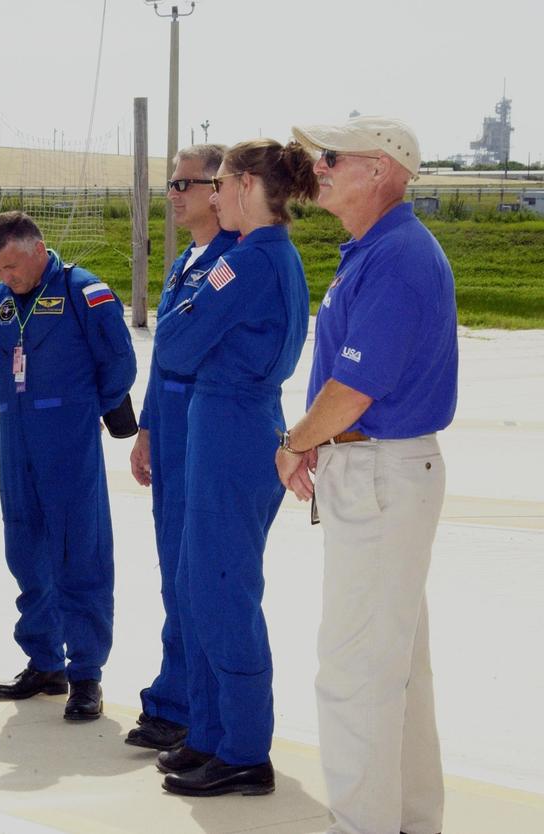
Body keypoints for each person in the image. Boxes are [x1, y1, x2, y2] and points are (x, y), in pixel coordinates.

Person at [281, 116, 454, 834]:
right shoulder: (378, 250)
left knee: (353, 673)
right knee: (396, 673)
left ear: (380, 169)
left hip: (380, 471)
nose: (316, 167)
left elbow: (356, 389)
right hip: (382, 470)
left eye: (331, 157)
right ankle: (408, 821)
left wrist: (294, 443)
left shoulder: (396, 257)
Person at [151, 140, 317, 797]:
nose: (212, 195)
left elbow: (175, 342)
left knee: (223, 588)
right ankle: (212, 735)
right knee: (199, 582)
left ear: (248, 186)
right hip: (220, 420)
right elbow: (180, 339)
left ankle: (246, 749)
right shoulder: (259, 256)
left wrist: (184, 322)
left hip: (234, 422)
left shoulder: (248, 261)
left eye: (219, 184)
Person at [0, 211, 137, 721]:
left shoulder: (82, 291)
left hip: (66, 435)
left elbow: (118, 363)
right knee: (23, 548)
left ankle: (86, 673)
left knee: (78, 550)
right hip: (14, 433)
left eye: (13, 266)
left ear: (38, 248)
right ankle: (45, 660)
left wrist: (84, 409)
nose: (8, 277)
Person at [126, 145, 240, 752]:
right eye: (170, 183)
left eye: (185, 183)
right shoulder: (186, 262)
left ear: (220, 189)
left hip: (205, 426)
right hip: (169, 426)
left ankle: (194, 706)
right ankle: (176, 698)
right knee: (173, 573)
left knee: (198, 576)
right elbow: (161, 357)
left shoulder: (232, 260)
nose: (173, 193)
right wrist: (146, 428)